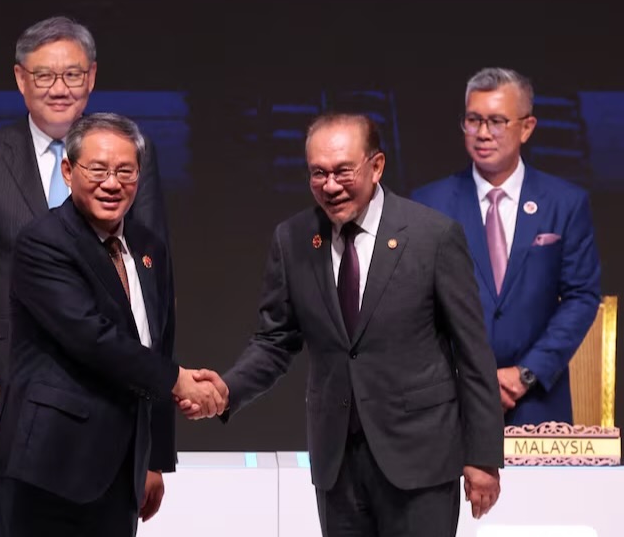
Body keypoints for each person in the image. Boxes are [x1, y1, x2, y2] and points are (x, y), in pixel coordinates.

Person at [183, 113, 503, 537]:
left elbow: (473, 353)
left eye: (342, 171)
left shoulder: (433, 237)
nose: (330, 186)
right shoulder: (293, 239)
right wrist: (227, 390)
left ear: (377, 166)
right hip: (337, 463)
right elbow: (275, 340)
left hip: (421, 459)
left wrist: (483, 457)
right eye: (318, 173)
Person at [0, 113, 221, 537]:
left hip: (120, 471)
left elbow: (159, 344)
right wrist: (178, 381)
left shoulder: (149, 247)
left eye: (125, 171)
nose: (111, 183)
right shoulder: (43, 242)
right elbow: (92, 338)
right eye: (97, 169)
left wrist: (155, 461)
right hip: (47, 467)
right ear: (68, 171)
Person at [0, 17, 170, 449]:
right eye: (44, 75)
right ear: (20, 79)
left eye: (73, 74)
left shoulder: (132, 154)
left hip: (112, 373)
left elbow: (150, 274)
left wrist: (152, 379)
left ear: (92, 77)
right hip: (9, 377)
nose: (59, 88)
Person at [411, 67, 602, 426]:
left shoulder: (565, 203)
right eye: (474, 120)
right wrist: (467, 378)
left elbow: (581, 297)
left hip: (536, 400)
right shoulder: (428, 204)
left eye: (497, 121)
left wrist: (526, 373)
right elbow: (413, 305)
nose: (483, 133)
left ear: (527, 127)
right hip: (449, 402)